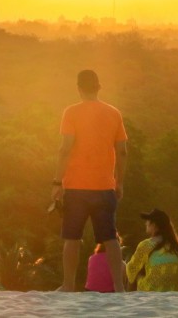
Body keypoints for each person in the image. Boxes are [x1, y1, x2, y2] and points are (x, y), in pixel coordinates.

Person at [51, 69, 128, 292]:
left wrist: (57, 182)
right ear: (98, 87)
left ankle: (67, 286)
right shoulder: (114, 113)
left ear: (79, 88)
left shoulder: (71, 112)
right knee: (110, 237)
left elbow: (65, 148)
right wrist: (119, 182)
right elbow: (122, 151)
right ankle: (119, 287)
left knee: (72, 238)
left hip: (75, 185)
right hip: (105, 185)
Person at [126, 209, 178, 291]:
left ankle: (128, 299)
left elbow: (131, 270)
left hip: (150, 292)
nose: (146, 223)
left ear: (154, 225)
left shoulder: (146, 245)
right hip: (172, 292)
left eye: (147, 221)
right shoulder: (175, 246)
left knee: (134, 270)